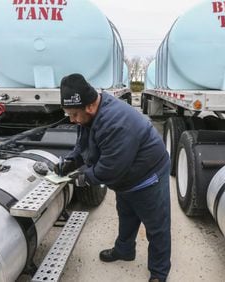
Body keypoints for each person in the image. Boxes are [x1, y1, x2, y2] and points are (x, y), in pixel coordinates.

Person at [58, 73, 171, 282]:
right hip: (126, 179)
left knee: (157, 226)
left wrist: (82, 178)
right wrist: (72, 160)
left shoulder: (116, 122)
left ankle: (159, 272)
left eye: (74, 114)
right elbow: (83, 140)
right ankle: (125, 250)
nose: (72, 120)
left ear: (90, 106)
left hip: (148, 176)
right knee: (126, 213)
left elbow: (110, 169)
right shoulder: (89, 113)